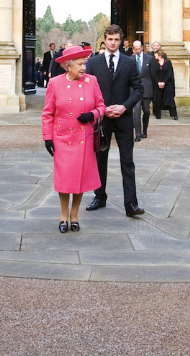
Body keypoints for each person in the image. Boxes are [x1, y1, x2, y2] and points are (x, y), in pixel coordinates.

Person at [41, 45, 106, 232]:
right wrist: (47, 137)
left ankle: (75, 216)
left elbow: (102, 107)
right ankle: (63, 216)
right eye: (79, 64)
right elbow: (47, 113)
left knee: (80, 179)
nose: (84, 67)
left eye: (84, 63)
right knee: (65, 179)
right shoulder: (55, 83)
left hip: (84, 138)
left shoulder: (92, 81)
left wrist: (92, 115)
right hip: (62, 138)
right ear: (68, 66)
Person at [85, 24, 144, 217]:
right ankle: (99, 196)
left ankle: (131, 203)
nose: (113, 43)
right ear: (104, 40)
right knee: (100, 160)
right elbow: (87, 91)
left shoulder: (129, 62)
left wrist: (124, 107)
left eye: (116, 40)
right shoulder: (93, 63)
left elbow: (138, 89)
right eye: (110, 39)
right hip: (101, 120)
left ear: (121, 41)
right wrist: (102, 110)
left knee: (127, 161)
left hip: (123, 119)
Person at [132, 40, 154, 141]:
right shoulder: (130, 60)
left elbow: (153, 75)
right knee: (136, 112)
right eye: (135, 49)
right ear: (133, 49)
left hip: (147, 88)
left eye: (139, 48)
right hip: (135, 90)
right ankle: (138, 134)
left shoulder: (149, 59)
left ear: (142, 48)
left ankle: (144, 130)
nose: (137, 50)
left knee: (146, 111)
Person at [153, 49, 177, 120]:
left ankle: (174, 114)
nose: (154, 55)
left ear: (159, 55)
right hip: (157, 83)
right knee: (158, 98)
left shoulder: (168, 62)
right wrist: (158, 82)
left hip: (167, 83)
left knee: (170, 99)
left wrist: (164, 82)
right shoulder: (154, 62)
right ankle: (158, 114)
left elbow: (169, 73)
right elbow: (154, 73)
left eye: (156, 54)